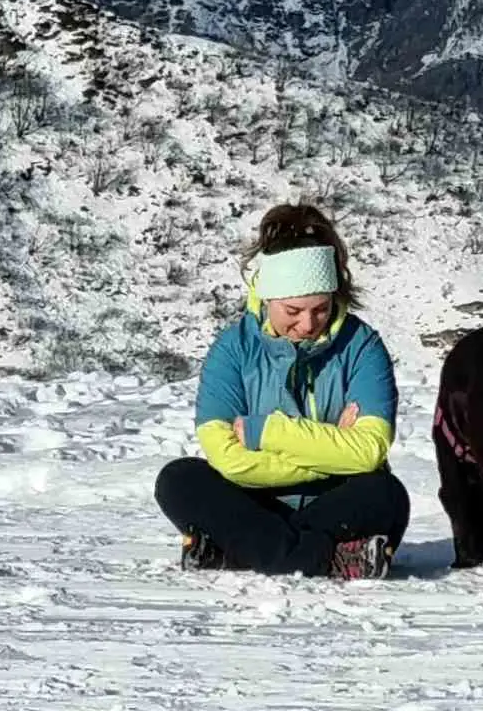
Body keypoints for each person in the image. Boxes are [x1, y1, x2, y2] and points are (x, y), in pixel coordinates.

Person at [155, 202, 410, 579]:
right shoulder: (232, 349)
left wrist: (267, 432)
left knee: (386, 494)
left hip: (336, 502)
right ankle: (326, 556)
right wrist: (333, 450)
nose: (308, 324)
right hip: (252, 502)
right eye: (293, 311)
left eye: (321, 309)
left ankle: (245, 549)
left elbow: (370, 450)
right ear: (267, 297)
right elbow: (228, 460)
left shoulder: (362, 346)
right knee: (178, 480)